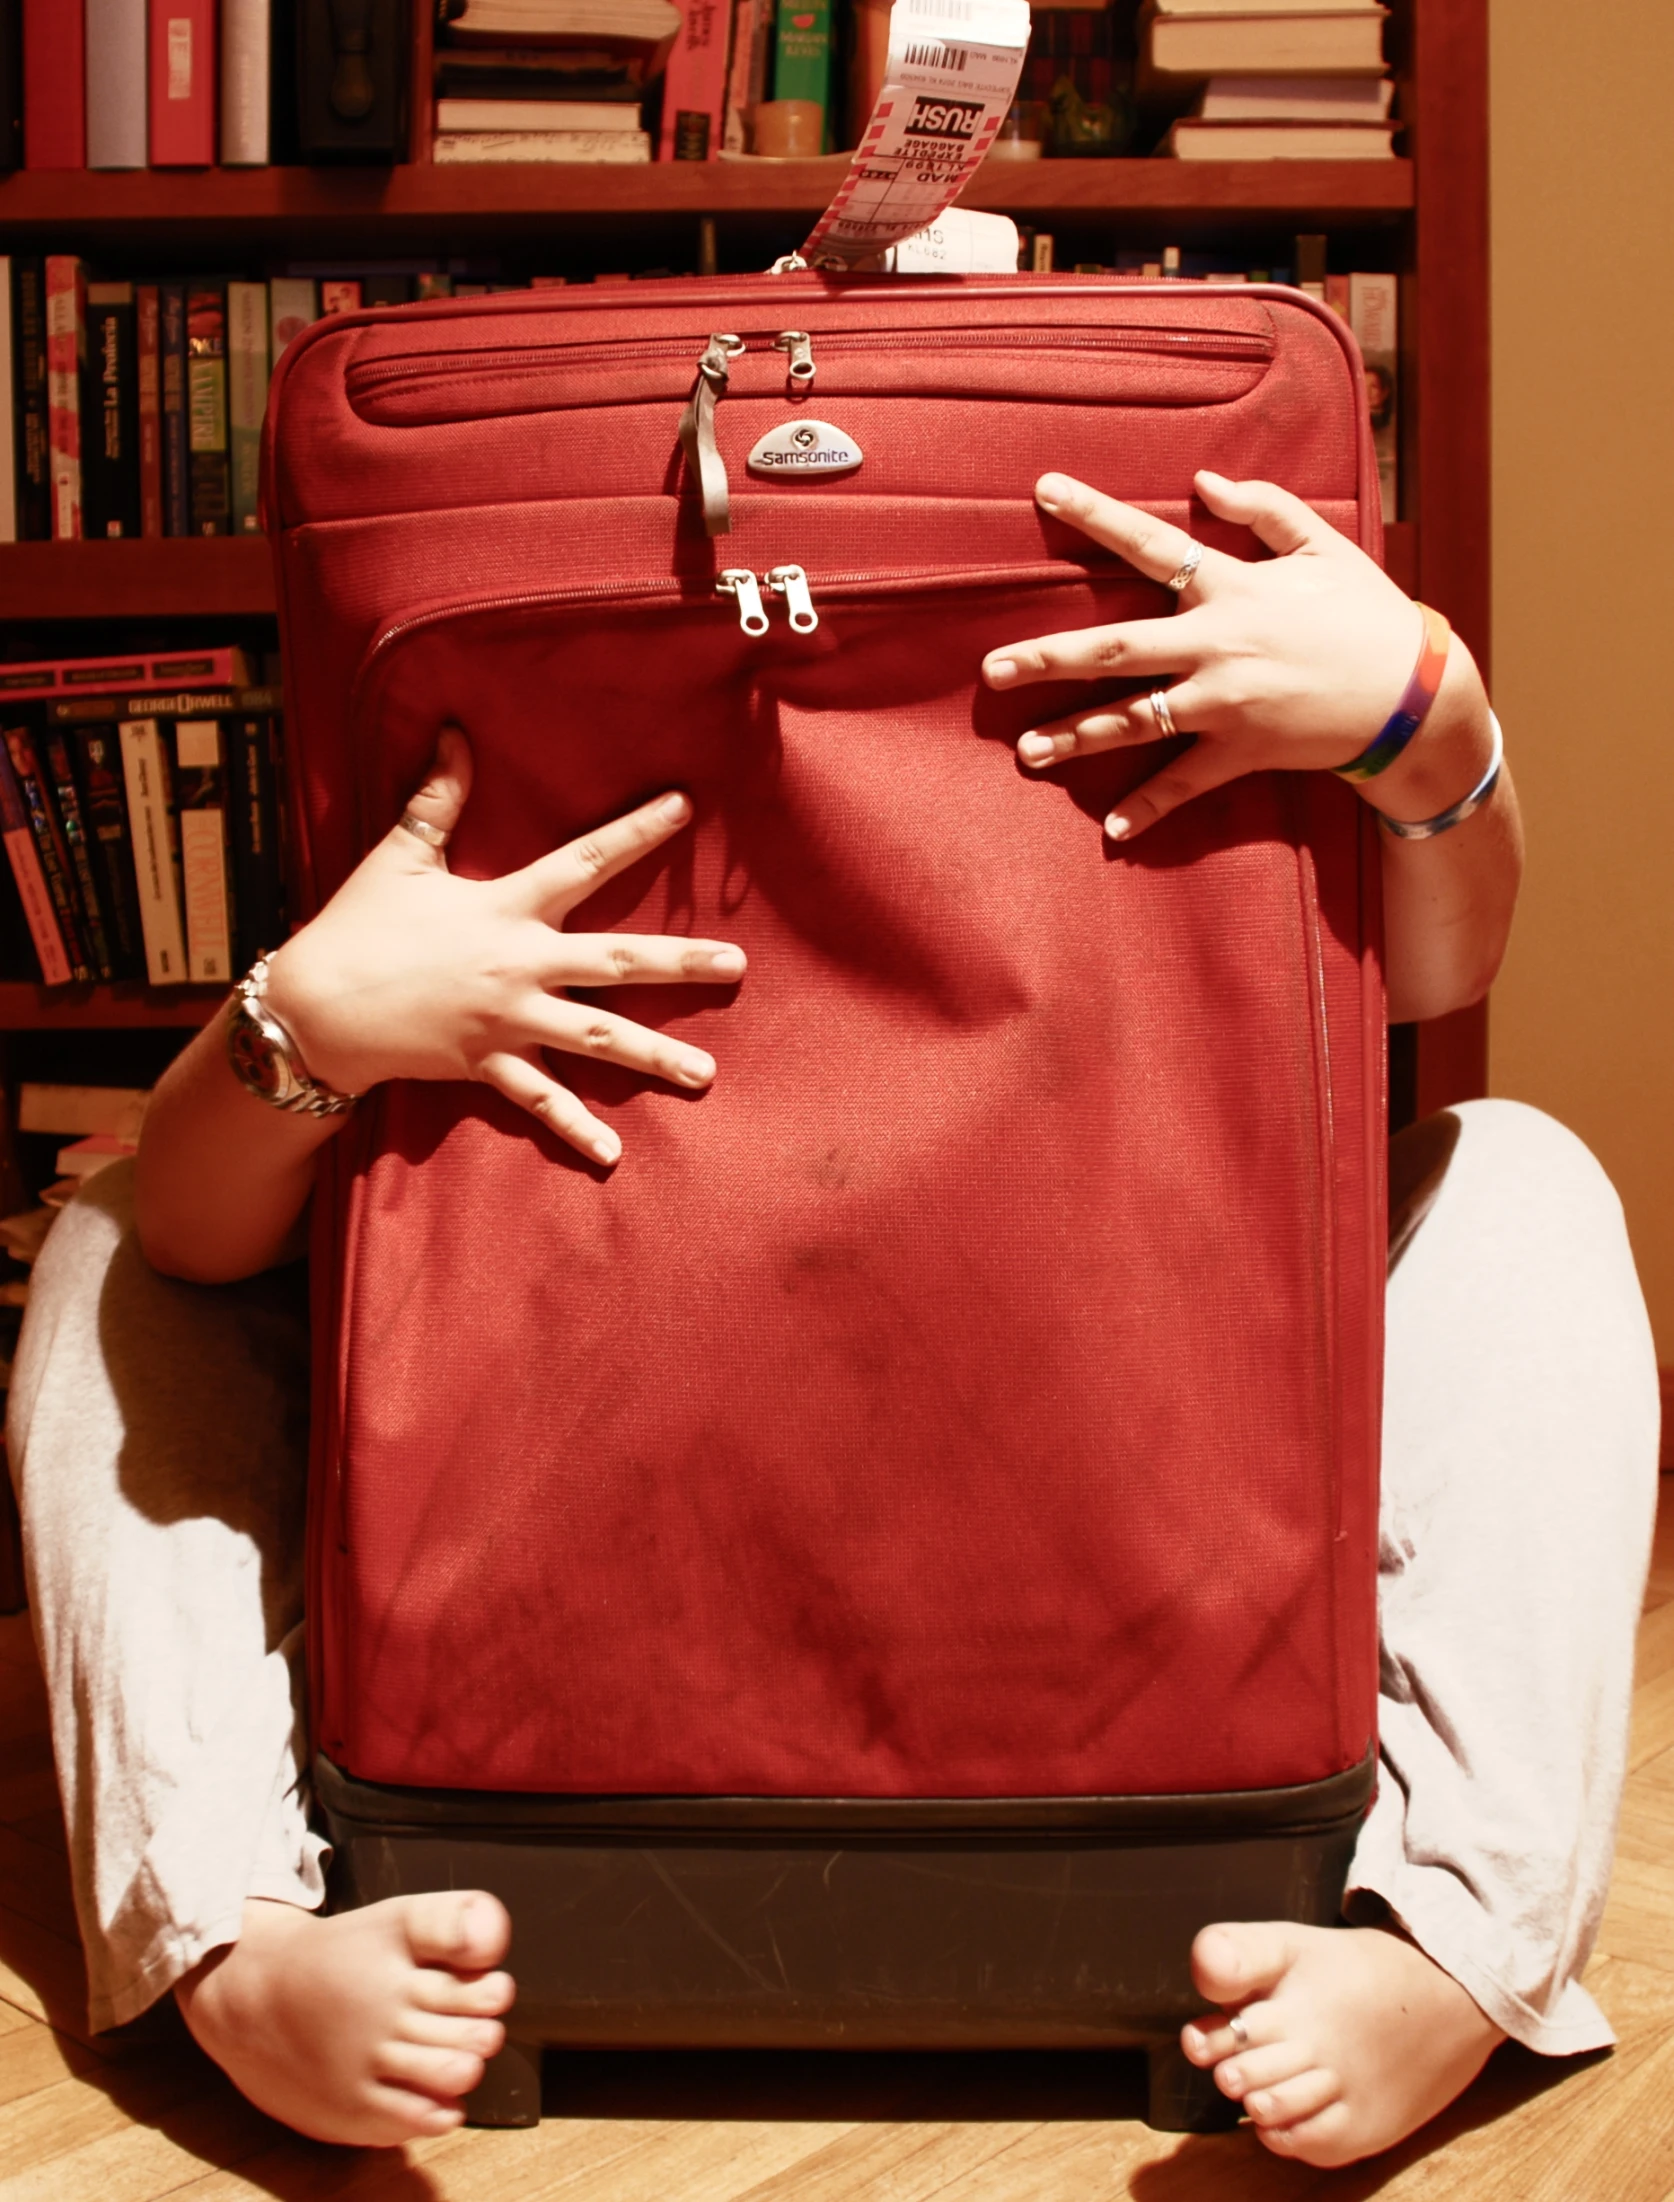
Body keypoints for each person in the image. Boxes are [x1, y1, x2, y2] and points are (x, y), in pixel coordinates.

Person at [8, 471, 1659, 2168]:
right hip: (573, 1477)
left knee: (1522, 1179)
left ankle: (1453, 1939)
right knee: (112, 1241)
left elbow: (1432, 978)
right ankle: (231, 1933)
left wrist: (1419, 715)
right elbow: (194, 1241)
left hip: (1091, 1395)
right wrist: (312, 1021)